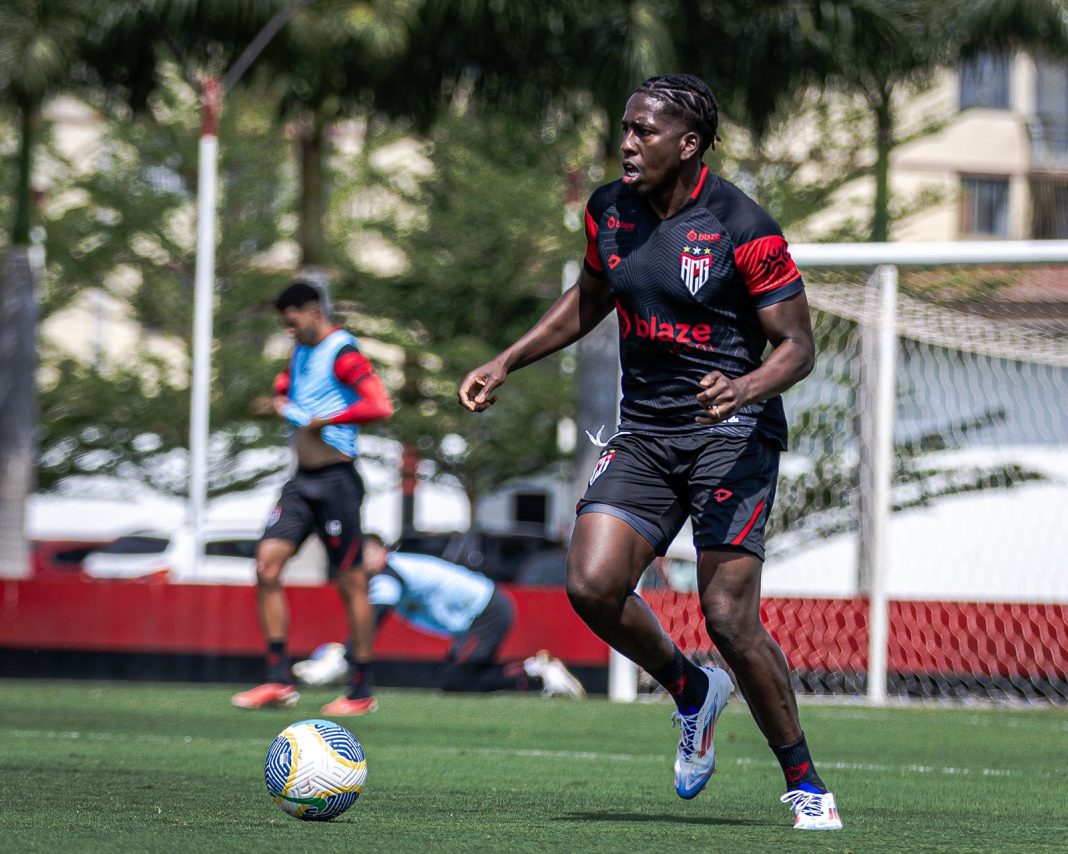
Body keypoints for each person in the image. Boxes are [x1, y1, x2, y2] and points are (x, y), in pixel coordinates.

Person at [458, 74, 842, 830]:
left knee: (729, 618)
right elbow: (590, 299)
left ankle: (805, 782)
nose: (627, 143)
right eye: (625, 128)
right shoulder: (609, 210)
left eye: (644, 131)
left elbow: (798, 347)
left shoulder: (743, 225)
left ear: (688, 144)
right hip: (645, 430)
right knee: (592, 584)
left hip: (732, 435)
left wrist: (746, 386)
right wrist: (505, 360)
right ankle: (692, 692)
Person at [232, 280, 394, 717]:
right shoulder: (300, 350)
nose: (288, 330)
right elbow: (287, 386)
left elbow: (380, 405)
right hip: (301, 481)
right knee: (267, 565)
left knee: (351, 583)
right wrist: (278, 398)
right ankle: (278, 680)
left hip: (338, 480)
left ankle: (361, 690)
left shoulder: (343, 351)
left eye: (292, 321)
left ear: (314, 311)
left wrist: (326, 421)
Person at [291, 534, 586, 699]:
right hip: (485, 609)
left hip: (487, 611)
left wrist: (345, 656)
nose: (364, 560)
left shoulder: (389, 573)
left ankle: (534, 672)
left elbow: (373, 619)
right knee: (460, 678)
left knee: (457, 680)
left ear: (381, 551)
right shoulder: (391, 570)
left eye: (369, 552)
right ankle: (534, 671)